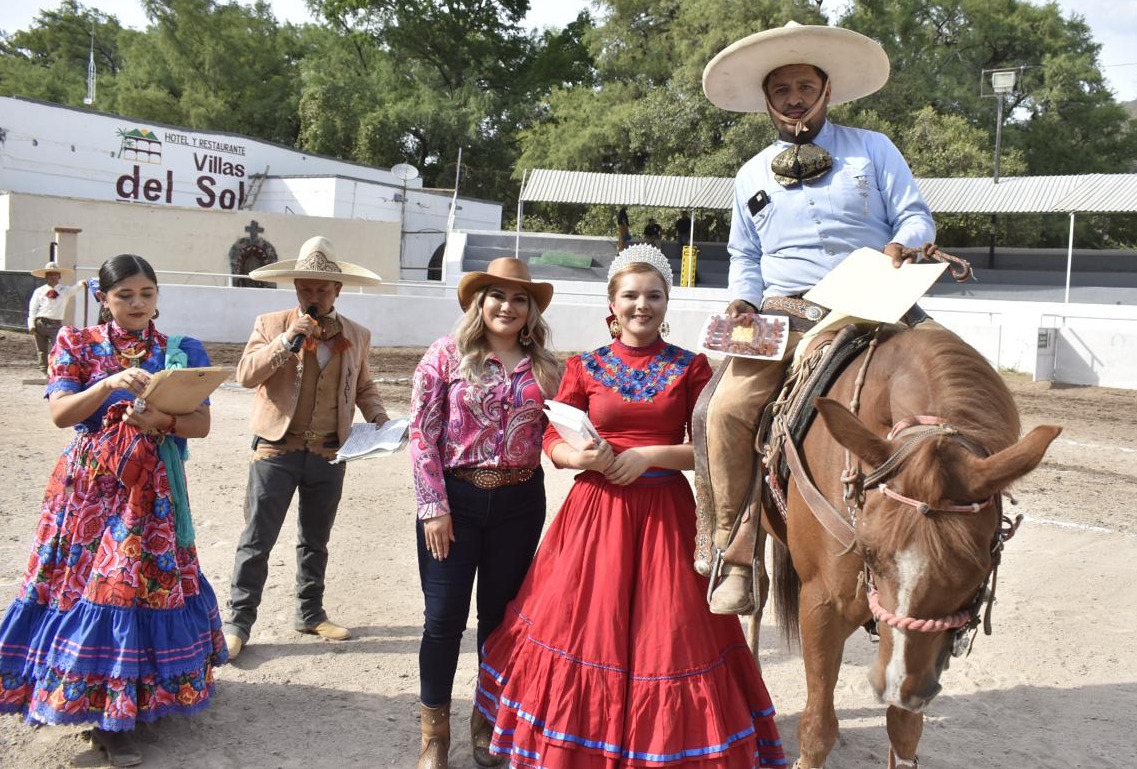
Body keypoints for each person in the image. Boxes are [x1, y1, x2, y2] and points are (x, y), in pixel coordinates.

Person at [474, 243, 786, 768]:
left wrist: (647, 456)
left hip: (665, 511)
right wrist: (580, 456)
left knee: (669, 634)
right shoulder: (584, 365)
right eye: (631, 296)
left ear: (667, 303)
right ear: (612, 303)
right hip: (596, 514)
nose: (643, 305)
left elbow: (714, 446)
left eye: (654, 296)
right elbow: (552, 431)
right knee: (583, 626)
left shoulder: (693, 368)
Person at [699, 21, 937, 613]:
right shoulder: (749, 174)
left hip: (878, 294)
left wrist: (903, 243)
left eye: (805, 85)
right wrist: (743, 300)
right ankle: (735, 554)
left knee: (961, 382)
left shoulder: (875, 148)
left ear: (827, 90)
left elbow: (916, 217)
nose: (794, 97)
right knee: (722, 409)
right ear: (768, 101)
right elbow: (744, 254)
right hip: (787, 307)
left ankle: (968, 531)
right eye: (782, 90)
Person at [0, 254, 226, 767]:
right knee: (89, 588)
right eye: (125, 296)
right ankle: (104, 717)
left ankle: (142, 698)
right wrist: (109, 385)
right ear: (104, 299)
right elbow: (60, 414)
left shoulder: (180, 351)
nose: (138, 304)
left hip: (154, 492)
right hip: (89, 491)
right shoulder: (76, 343)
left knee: (142, 587)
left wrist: (158, 416)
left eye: (147, 294)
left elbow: (199, 426)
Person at [408, 257, 560, 769]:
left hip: (520, 502)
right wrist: (433, 507)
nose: (508, 307)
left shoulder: (544, 367)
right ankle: (434, 736)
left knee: (500, 622)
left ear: (531, 311)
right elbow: (422, 436)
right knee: (443, 620)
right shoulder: (445, 356)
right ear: (479, 302)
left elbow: (566, 426)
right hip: (455, 502)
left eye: (521, 299)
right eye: (498, 295)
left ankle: (488, 720)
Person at [223, 236, 389, 660]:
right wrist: (285, 342)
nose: (312, 295)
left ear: (338, 290)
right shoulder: (270, 324)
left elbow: (364, 386)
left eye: (321, 288)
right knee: (257, 539)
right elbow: (245, 374)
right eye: (305, 288)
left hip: (330, 453)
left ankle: (310, 612)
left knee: (316, 539)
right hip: (275, 450)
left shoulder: (358, 334)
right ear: (295, 288)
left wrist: (380, 420)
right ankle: (238, 622)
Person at [26, 261, 76, 372]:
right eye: (49, 274)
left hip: (56, 323)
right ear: (46, 276)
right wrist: (31, 324)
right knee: (41, 349)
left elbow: (76, 288)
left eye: (55, 274)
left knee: (58, 347)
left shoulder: (65, 290)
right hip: (41, 322)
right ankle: (44, 370)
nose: (52, 277)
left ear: (59, 276)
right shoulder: (39, 291)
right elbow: (33, 308)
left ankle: (56, 369)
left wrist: (84, 283)